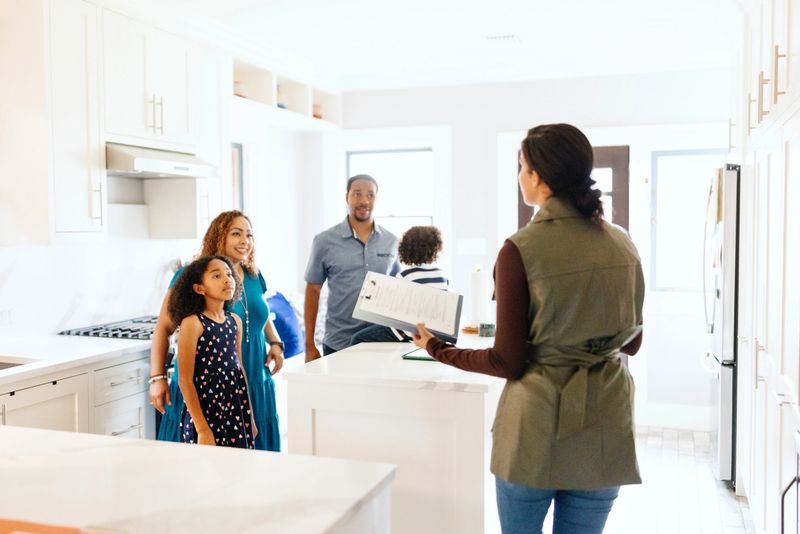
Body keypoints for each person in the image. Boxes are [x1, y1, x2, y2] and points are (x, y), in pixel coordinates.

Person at [412, 123, 645, 534]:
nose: (520, 176)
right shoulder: (623, 243)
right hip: (606, 425)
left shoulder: (519, 249)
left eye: (521, 167)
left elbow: (507, 360)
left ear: (537, 177)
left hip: (535, 429)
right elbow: (634, 343)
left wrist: (436, 347)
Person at [148, 210, 284, 451]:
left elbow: (259, 314)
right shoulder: (193, 275)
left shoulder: (253, 275)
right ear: (219, 236)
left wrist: (275, 343)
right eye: (236, 234)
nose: (245, 241)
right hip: (206, 384)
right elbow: (163, 328)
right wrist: (157, 378)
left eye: (249, 235)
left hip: (249, 377)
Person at [304, 174, 401, 361]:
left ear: (376, 199)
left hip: (382, 344)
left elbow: (399, 288)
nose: (364, 200)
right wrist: (309, 345)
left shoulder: (392, 242)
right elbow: (313, 290)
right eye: (357, 194)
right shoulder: (324, 241)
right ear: (346, 197)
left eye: (370, 195)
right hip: (339, 343)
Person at [167, 256, 256, 448]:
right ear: (200, 288)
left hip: (235, 409)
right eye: (216, 276)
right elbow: (185, 380)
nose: (227, 279)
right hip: (205, 412)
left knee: (238, 468)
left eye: (229, 274)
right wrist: (202, 429)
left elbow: (239, 370)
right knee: (206, 472)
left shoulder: (235, 321)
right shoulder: (193, 323)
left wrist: (250, 416)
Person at [349, 225, 449, 346]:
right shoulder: (442, 276)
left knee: (357, 338)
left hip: (404, 333)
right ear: (435, 248)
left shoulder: (404, 275)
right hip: (430, 332)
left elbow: (394, 311)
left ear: (406, 249)